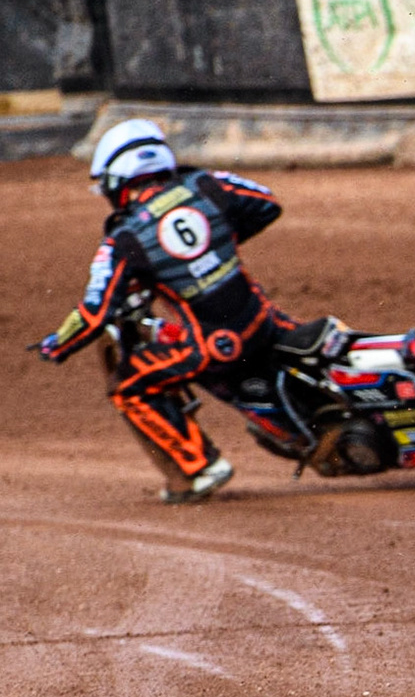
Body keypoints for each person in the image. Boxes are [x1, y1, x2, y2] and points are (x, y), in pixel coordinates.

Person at [37, 119, 301, 503]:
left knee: (130, 385)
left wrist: (56, 345)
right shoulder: (209, 185)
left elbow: (94, 312)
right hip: (264, 320)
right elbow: (267, 204)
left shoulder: (124, 239)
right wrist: (216, 245)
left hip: (213, 348)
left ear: (118, 181)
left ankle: (200, 467)